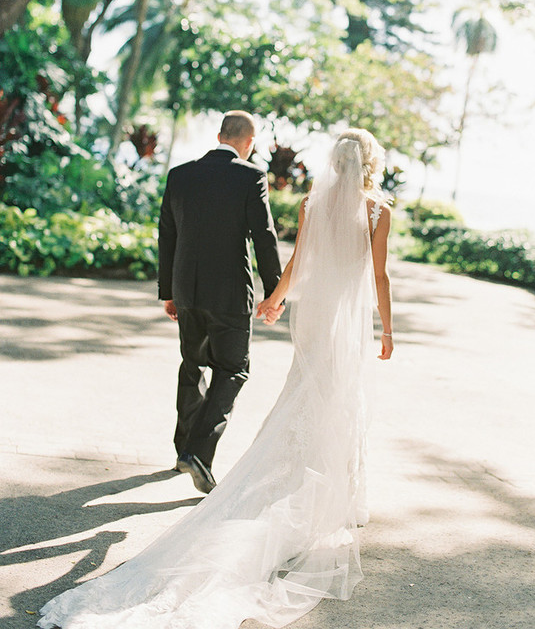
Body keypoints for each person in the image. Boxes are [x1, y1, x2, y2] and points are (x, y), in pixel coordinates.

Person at [38, 128, 393, 629]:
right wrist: (385, 326)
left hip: (270, 309)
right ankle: (329, 491)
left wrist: (269, 298)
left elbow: (284, 256)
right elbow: (361, 271)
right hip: (324, 315)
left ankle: (198, 446)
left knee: (257, 380)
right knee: (314, 390)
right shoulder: (367, 206)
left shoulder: (305, 200)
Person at [157, 110, 283, 494]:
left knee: (192, 363)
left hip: (187, 292)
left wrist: (167, 291)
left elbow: (167, 234)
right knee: (233, 369)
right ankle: (198, 451)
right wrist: (274, 292)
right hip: (229, 294)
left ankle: (183, 450)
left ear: (219, 135)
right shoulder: (250, 176)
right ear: (248, 142)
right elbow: (263, 236)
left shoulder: (180, 174)